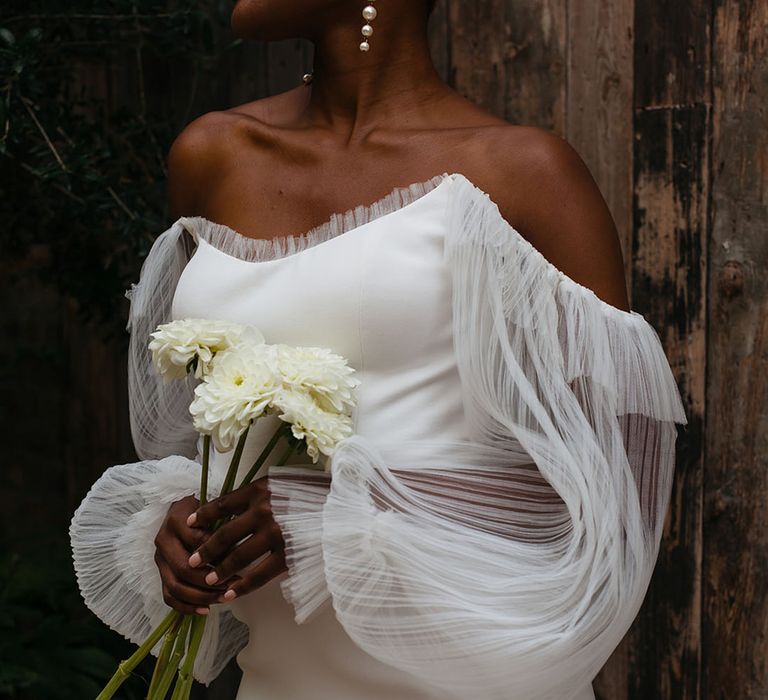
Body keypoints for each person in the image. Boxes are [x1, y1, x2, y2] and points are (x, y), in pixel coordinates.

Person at [70, 2, 688, 699]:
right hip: (282, 674)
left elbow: (607, 497)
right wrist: (187, 516)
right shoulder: (213, 156)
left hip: (464, 672)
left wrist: (329, 510)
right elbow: (205, 421)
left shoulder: (522, 172)